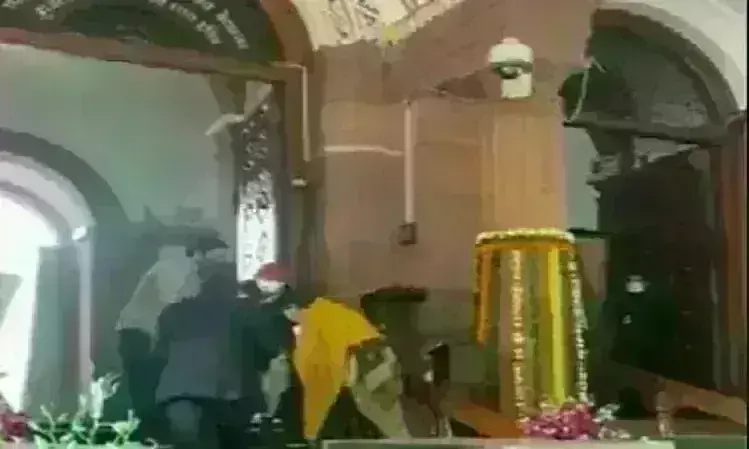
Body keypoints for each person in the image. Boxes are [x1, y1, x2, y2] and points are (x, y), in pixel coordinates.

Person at [276, 285, 411, 440]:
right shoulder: (328, 316)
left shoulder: (317, 324)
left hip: (362, 382)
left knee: (387, 424)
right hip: (366, 377)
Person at [153, 250, 253, 449]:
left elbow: (159, 353)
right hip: (217, 398)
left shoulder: (173, 312)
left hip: (179, 395)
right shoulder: (237, 314)